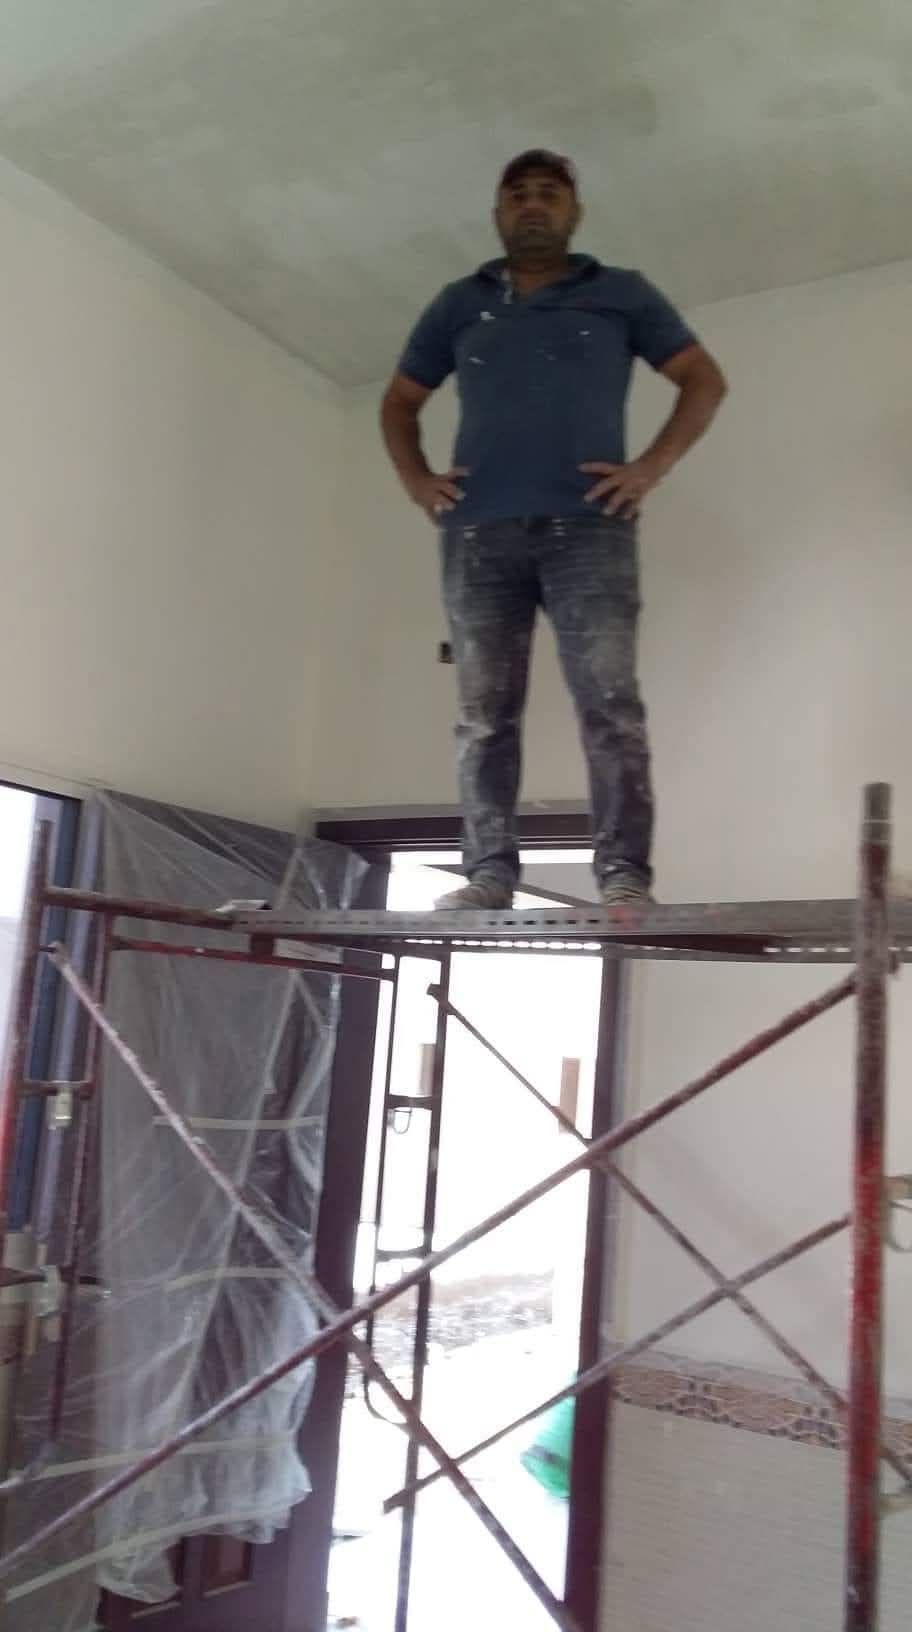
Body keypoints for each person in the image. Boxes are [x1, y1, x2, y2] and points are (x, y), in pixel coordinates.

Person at [380, 150, 727, 909]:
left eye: (548, 194)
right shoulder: (458, 304)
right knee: (483, 716)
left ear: (574, 212)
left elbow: (704, 379)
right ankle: (489, 874)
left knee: (610, 703)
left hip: (591, 527)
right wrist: (417, 481)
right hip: (478, 534)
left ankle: (623, 877)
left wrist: (650, 468)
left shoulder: (621, 293)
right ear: (498, 213)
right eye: (517, 195)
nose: (532, 205)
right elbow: (399, 401)